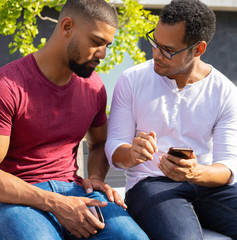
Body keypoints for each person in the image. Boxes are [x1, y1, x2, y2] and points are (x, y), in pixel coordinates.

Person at [105, 0, 237, 239]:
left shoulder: (225, 91)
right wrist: (131, 153)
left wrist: (194, 173)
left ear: (198, 49)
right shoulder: (131, 80)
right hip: (150, 184)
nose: (156, 54)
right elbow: (114, 148)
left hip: (207, 183)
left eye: (168, 50)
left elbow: (228, 167)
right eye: (155, 42)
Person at [0, 0, 148, 239]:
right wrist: (56, 203)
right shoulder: (8, 86)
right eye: (97, 42)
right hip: (21, 196)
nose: (103, 54)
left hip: (75, 189)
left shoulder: (94, 87)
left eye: (107, 45)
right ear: (67, 27)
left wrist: (96, 179)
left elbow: (99, 143)